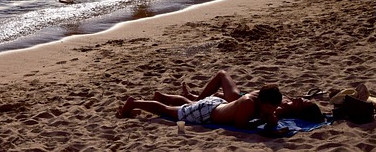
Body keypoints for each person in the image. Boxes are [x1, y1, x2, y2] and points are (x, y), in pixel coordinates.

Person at [117, 70, 283, 129]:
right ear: (261, 101)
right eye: (269, 108)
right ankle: (133, 103)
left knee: (185, 105)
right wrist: (264, 119)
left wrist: (269, 116)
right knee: (166, 111)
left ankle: (164, 97)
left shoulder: (260, 95)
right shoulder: (248, 103)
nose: (272, 111)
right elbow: (240, 125)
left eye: (273, 108)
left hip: (218, 105)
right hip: (207, 112)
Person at [181, 71, 325, 123]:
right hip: (245, 98)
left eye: (303, 103)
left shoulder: (283, 108)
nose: (302, 100)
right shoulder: (292, 103)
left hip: (239, 100)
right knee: (218, 95)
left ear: (299, 111)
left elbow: (271, 114)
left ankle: (195, 100)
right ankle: (193, 98)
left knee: (222, 75)